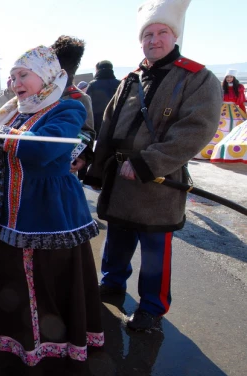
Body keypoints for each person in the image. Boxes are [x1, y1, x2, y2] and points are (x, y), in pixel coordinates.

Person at [84, 0, 222, 331]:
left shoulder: (198, 78)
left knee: (155, 249)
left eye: (161, 33)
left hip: (157, 181)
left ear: (174, 37)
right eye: (148, 34)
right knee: (117, 238)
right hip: (120, 178)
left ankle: (152, 307)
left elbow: (196, 129)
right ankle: (113, 284)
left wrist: (150, 162)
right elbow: (109, 125)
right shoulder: (131, 78)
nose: (154, 40)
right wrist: (94, 163)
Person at [0, 45, 103, 368]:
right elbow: (4, 146)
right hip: (11, 206)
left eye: (23, 75)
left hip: (48, 210)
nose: (15, 82)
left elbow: (41, 151)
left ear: (45, 76)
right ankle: (14, 342)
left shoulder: (68, 109)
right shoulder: (15, 111)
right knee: (11, 281)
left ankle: (52, 347)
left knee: (47, 280)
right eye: (13, 76)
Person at [51, 35, 96, 180]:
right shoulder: (39, 94)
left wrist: (81, 157)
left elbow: (87, 133)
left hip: (64, 170)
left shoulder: (80, 98)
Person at [197, 69, 247, 159]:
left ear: (234, 78)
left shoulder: (239, 88)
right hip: (222, 109)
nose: (229, 78)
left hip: (235, 110)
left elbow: (241, 102)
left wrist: (245, 113)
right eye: (227, 77)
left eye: (231, 77)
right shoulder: (221, 87)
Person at [86, 60, 121, 137]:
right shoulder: (120, 83)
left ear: (98, 70)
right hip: (117, 121)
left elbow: (86, 105)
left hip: (97, 122)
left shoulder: (93, 84)